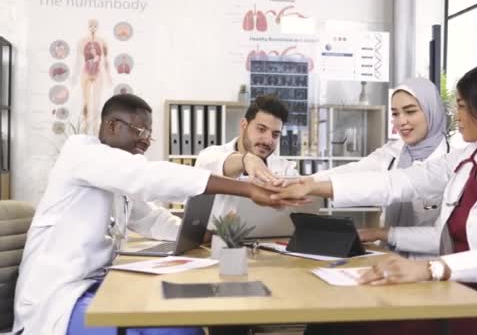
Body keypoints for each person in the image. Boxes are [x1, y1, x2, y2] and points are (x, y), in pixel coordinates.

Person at [272, 61, 477, 334]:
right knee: (345, 324)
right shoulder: (464, 160)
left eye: (460, 106)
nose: (455, 115)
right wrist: (311, 185)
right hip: (451, 289)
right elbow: (400, 182)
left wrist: (429, 268)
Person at [12, 94, 296, 335]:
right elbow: (149, 177)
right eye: (141, 133)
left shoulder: (111, 173)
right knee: (178, 328)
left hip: (91, 286)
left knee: (183, 318)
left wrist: (205, 236)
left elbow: (150, 218)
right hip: (57, 300)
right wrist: (246, 190)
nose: (147, 142)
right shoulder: (82, 154)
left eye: (149, 134)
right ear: (111, 125)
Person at [310, 77, 460, 258]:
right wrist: (303, 182)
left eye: (410, 111)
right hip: (387, 257)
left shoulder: (455, 162)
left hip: (430, 266)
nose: (401, 121)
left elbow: (449, 237)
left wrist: (382, 233)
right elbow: (352, 173)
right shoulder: (391, 152)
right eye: (395, 114)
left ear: (432, 111)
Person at [195, 95, 299, 224]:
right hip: (212, 242)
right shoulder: (211, 155)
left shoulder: (285, 169)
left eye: (275, 134)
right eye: (261, 129)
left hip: (267, 241)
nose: (268, 140)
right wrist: (247, 160)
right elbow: (212, 163)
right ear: (244, 125)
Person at [74, 19, 111, 135]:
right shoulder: (82, 42)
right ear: (88, 26)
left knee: (96, 103)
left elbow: (105, 60)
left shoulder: (103, 42)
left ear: (98, 27)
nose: (93, 28)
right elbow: (78, 60)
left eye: (95, 26)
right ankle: (84, 130)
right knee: (85, 102)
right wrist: (74, 75)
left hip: (98, 72)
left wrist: (109, 76)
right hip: (85, 71)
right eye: (91, 25)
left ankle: (95, 131)